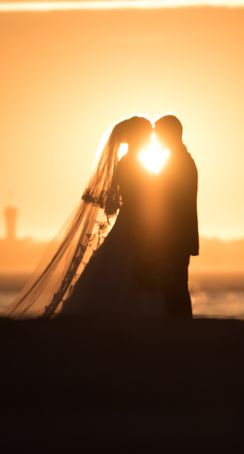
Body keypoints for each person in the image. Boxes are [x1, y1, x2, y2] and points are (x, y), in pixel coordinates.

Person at [7, 116, 168, 318]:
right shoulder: (131, 165)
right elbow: (138, 197)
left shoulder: (129, 163)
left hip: (131, 223)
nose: (151, 139)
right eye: (147, 135)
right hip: (133, 225)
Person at [155, 115, 199, 318]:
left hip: (175, 237)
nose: (156, 138)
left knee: (176, 284)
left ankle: (181, 326)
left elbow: (174, 205)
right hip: (178, 237)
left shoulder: (179, 164)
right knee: (175, 284)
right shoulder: (178, 160)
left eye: (159, 134)